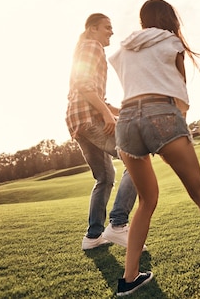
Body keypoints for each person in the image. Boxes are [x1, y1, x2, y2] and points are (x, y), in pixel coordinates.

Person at [108, 0, 200, 296]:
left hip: (127, 119)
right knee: (198, 189)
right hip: (162, 113)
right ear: (168, 18)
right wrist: (175, 125)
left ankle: (128, 278)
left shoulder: (121, 49)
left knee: (147, 200)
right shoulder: (172, 41)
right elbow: (181, 88)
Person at [66, 13, 139, 250]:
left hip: (79, 121)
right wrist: (108, 116)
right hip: (89, 119)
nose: (111, 32)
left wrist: (124, 110)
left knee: (105, 177)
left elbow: (97, 96)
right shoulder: (92, 46)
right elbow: (85, 86)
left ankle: (93, 236)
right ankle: (118, 225)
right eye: (107, 27)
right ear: (92, 29)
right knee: (136, 155)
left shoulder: (87, 47)